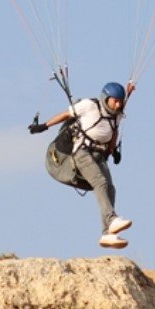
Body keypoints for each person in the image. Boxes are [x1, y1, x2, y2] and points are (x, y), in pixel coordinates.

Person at [30, 81, 135, 248]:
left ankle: (107, 233)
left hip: (99, 154)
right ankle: (111, 219)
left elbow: (113, 131)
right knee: (100, 182)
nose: (119, 104)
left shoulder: (118, 113)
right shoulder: (89, 106)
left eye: (121, 101)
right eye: (115, 100)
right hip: (81, 152)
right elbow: (66, 115)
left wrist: (113, 151)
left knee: (110, 188)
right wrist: (44, 126)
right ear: (106, 98)